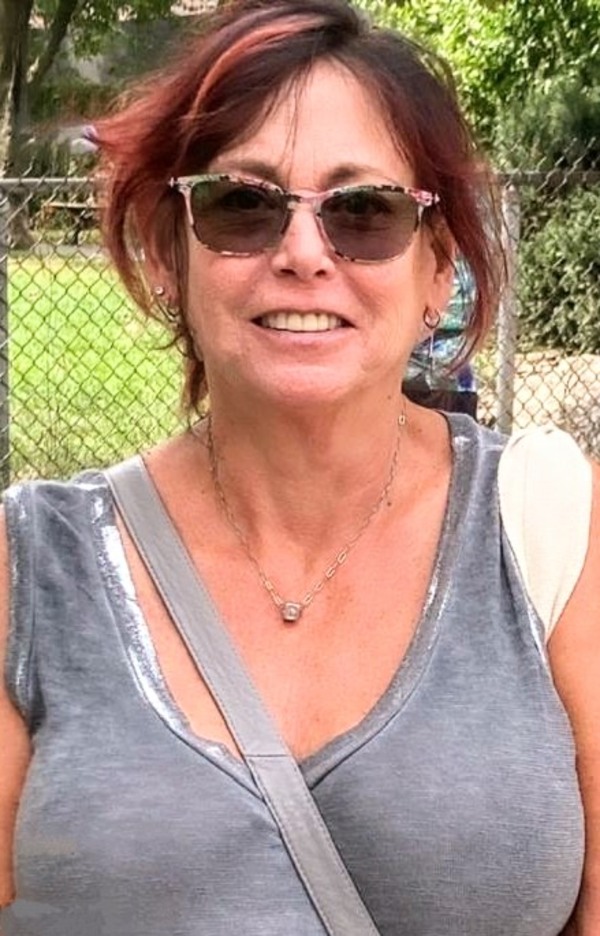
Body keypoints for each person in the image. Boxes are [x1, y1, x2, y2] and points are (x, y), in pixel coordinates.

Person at [1, 2, 599, 934]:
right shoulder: (30, 571)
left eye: (365, 211)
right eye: (242, 204)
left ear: (438, 269)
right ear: (168, 254)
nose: (304, 254)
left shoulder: (551, 528)